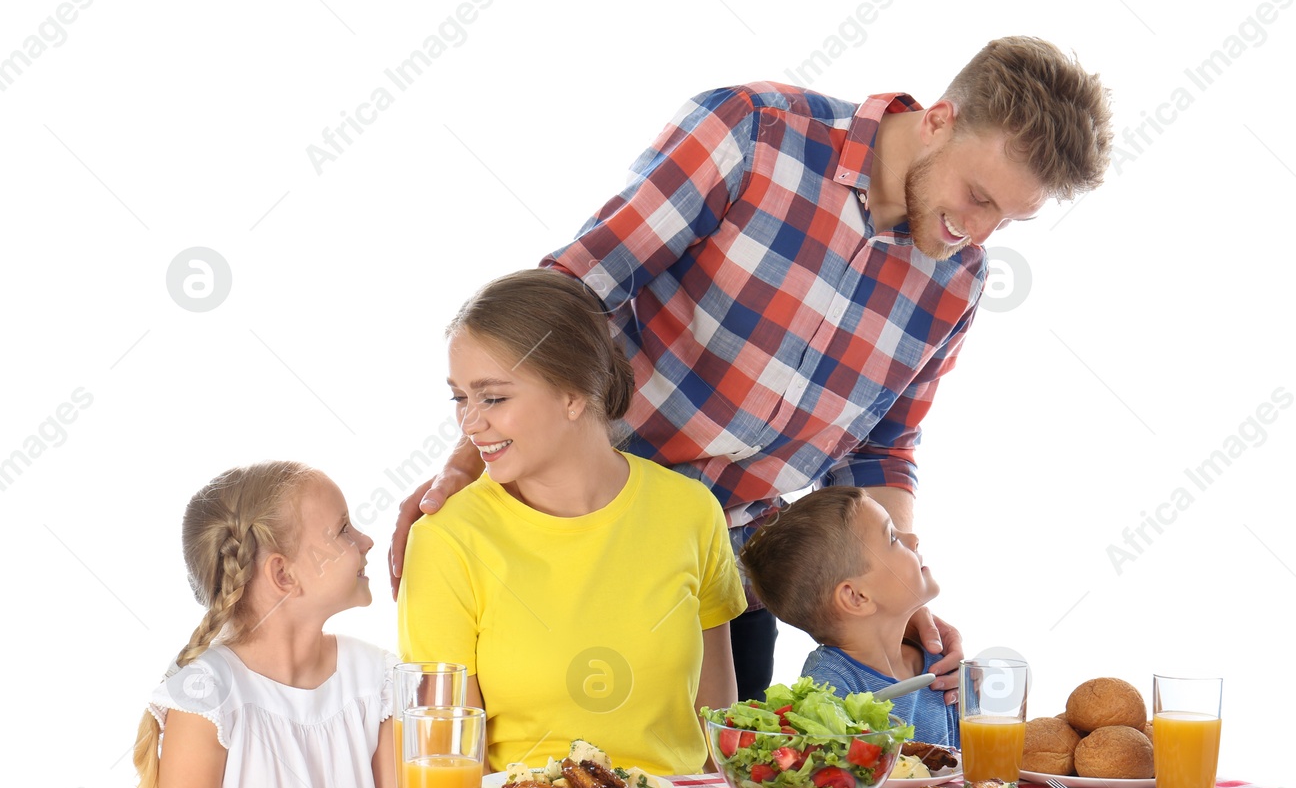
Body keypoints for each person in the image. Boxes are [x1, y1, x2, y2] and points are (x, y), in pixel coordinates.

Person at [389, 36, 1113, 704]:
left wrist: (903, 606)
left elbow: (880, 451)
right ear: (938, 120)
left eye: (1008, 221)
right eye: (978, 197)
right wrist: (469, 456)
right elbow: (579, 289)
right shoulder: (754, 134)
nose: (977, 233)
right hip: (578, 537)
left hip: (727, 581)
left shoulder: (958, 281)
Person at [396, 269, 745, 775]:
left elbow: (715, 731)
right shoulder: (447, 540)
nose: (470, 422)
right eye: (459, 397)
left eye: (492, 397)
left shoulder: (691, 511)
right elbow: (449, 760)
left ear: (574, 394)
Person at [132, 462, 393, 788]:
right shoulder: (208, 701)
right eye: (344, 529)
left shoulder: (380, 681)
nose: (367, 540)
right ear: (283, 574)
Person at [739, 486, 958, 747]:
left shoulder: (941, 661)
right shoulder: (829, 684)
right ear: (856, 597)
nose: (913, 538)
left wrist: (979, 691)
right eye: (892, 537)